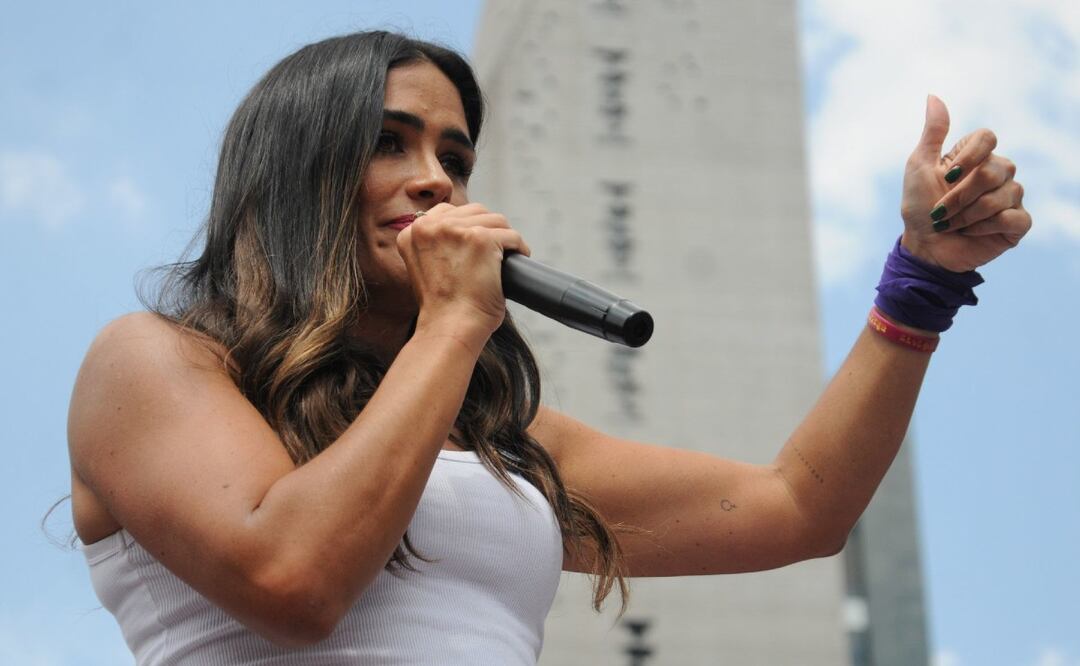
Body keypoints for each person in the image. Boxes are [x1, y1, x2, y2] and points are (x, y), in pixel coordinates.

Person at [67, 30, 1030, 665]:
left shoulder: (501, 440)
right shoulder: (153, 364)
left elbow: (797, 508)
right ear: (295, 173)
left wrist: (924, 278)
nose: (436, 181)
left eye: (454, 158)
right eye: (390, 143)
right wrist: (454, 323)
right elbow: (293, 582)